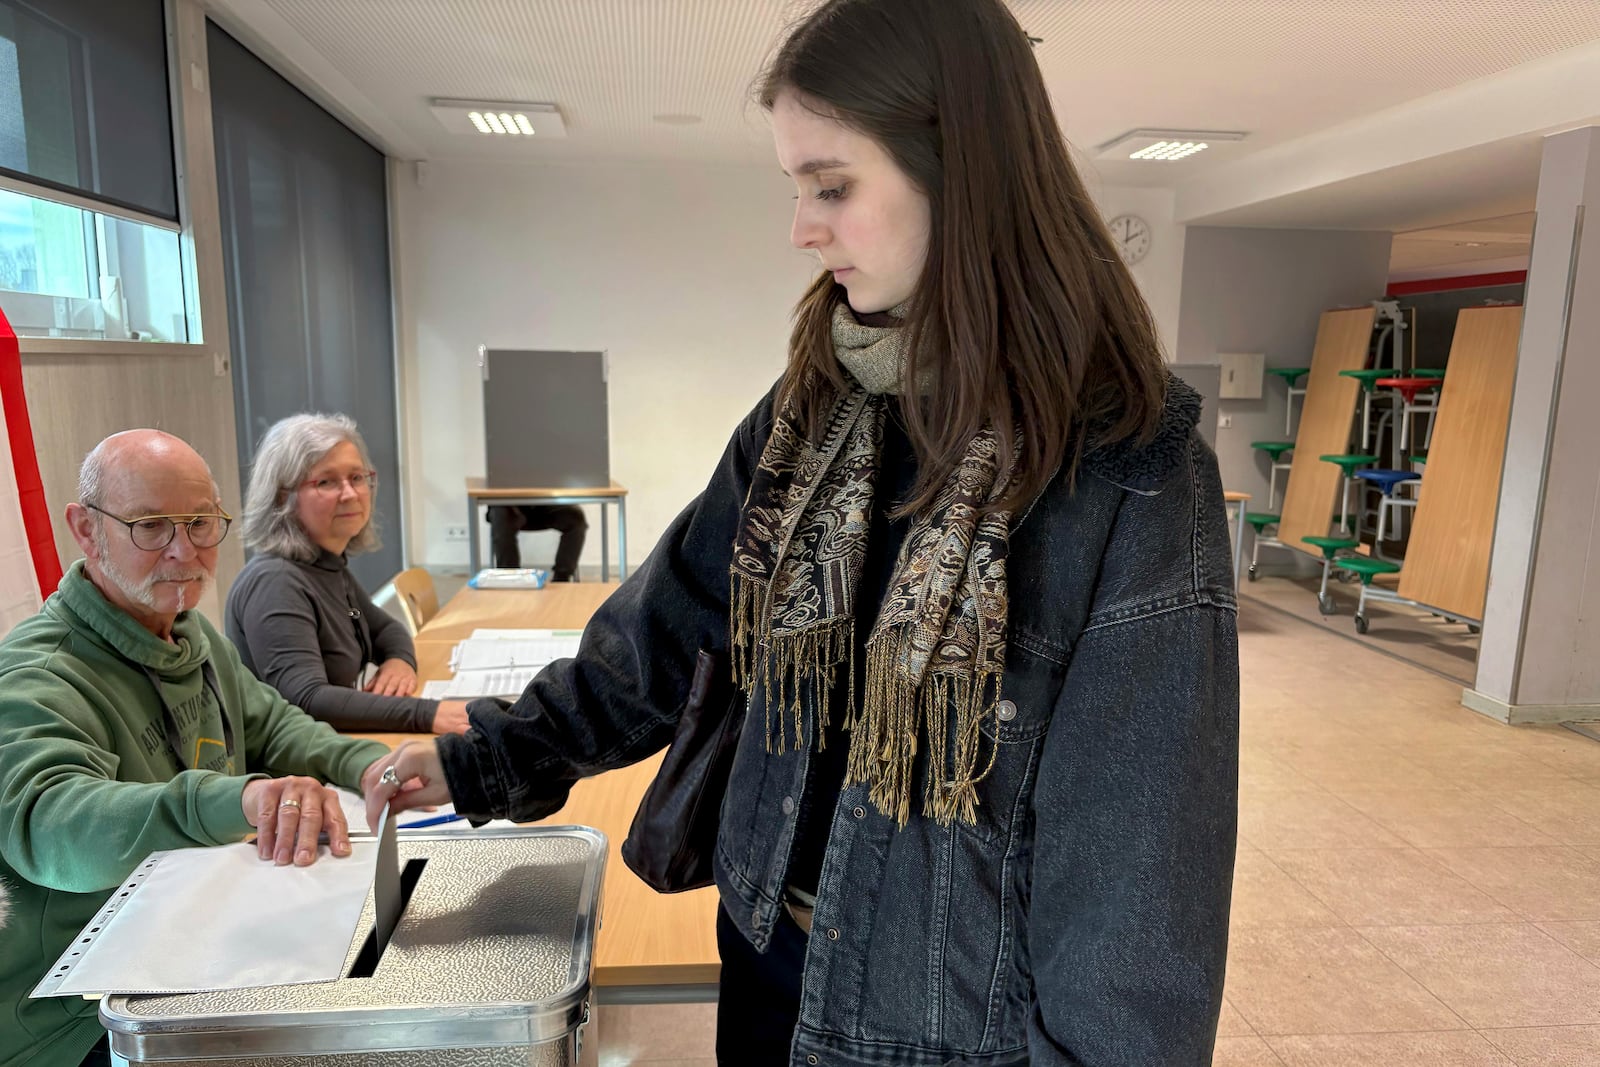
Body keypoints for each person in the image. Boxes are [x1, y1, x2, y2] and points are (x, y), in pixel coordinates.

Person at [367, 1, 1238, 1063]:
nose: (801, 227)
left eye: (832, 186)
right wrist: (482, 762)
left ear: (962, 173)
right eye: (795, 188)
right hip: (767, 959)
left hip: (943, 1028)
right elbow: (670, 628)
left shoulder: (1127, 467)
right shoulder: (815, 405)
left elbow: (1136, 888)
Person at [0, 430, 394, 1067]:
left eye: (201, 523)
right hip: (76, 1023)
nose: (184, 551)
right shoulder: (35, 677)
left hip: (190, 949)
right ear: (85, 528)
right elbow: (53, 831)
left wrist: (370, 763)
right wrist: (238, 798)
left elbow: (272, 725)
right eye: (151, 526)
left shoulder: (189, 631)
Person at [226, 414, 469, 735]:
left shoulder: (325, 564)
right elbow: (306, 699)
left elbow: (387, 630)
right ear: (283, 496)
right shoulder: (276, 581)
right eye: (326, 481)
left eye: (357, 477)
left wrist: (400, 661)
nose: (350, 493)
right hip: (292, 775)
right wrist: (427, 713)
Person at [486, 504, 587, 580]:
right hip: (510, 507)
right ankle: (509, 577)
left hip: (546, 504)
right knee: (500, 513)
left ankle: (562, 578)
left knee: (576, 518)